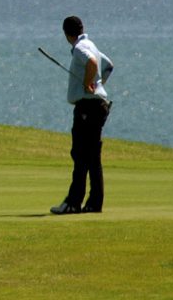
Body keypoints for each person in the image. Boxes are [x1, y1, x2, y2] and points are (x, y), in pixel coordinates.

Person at [51, 16, 114, 215]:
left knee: (80, 155)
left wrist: (89, 83)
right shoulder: (90, 44)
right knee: (92, 157)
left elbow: (93, 63)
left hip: (88, 107)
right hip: (99, 105)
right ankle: (94, 203)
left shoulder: (80, 48)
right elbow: (108, 65)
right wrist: (99, 84)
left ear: (66, 33)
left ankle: (73, 202)